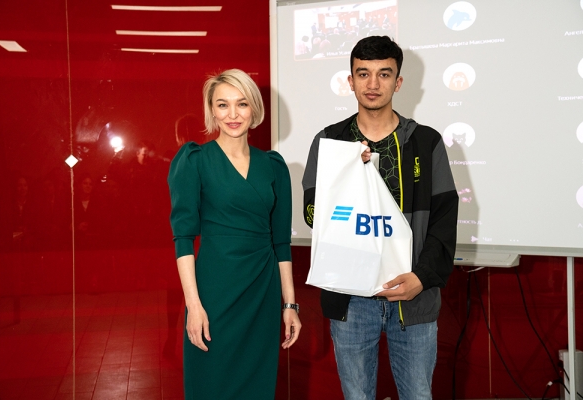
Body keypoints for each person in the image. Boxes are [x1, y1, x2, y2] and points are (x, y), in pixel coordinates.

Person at [302, 36, 458, 399]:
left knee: (418, 394)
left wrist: (421, 278)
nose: (373, 83)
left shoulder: (426, 142)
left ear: (398, 82)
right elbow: (312, 214)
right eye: (363, 73)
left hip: (412, 296)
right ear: (351, 80)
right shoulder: (330, 141)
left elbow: (444, 219)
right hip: (351, 300)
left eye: (384, 74)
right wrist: (343, 177)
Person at [168, 68, 301, 399]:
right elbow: (183, 239)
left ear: (253, 108)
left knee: (256, 387)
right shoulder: (195, 160)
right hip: (214, 292)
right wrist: (193, 306)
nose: (232, 114)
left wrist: (290, 304)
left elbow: (281, 242)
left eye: (241, 104)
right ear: (212, 111)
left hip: (262, 292)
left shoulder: (274, 166)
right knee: (210, 383)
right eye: (222, 105)